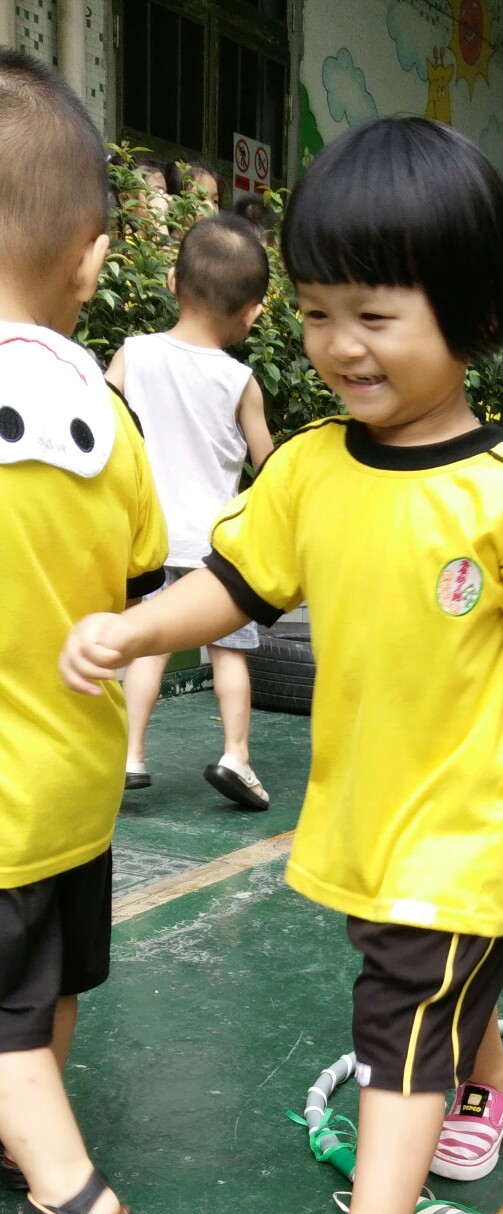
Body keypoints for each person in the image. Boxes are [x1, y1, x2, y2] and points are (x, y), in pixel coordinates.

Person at [62, 116, 503, 1214]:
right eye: (314, 312)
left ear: (468, 314)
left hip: (468, 821)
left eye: (374, 314)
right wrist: (137, 629)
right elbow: (235, 584)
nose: (339, 344)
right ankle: (491, 1082)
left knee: (400, 1010)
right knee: (439, 988)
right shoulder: (309, 467)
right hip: (364, 812)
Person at [0, 50, 167, 1214]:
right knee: (46, 986)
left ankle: (66, 1193)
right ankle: (29, 1131)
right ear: (93, 257)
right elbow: (143, 583)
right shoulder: (111, 420)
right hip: (77, 776)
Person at [110, 216, 274, 809]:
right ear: (252, 312)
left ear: (173, 282)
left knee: (150, 645)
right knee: (230, 651)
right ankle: (236, 757)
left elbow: (105, 419)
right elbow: (269, 466)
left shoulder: (134, 354)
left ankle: (130, 755)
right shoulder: (240, 380)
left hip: (149, 537)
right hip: (218, 549)